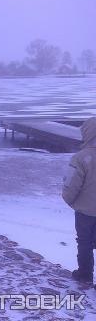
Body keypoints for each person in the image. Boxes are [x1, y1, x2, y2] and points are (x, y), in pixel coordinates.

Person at [63, 117, 96, 287]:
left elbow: (71, 184)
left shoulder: (81, 158)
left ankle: (85, 274)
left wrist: (69, 200)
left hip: (85, 211)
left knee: (84, 242)